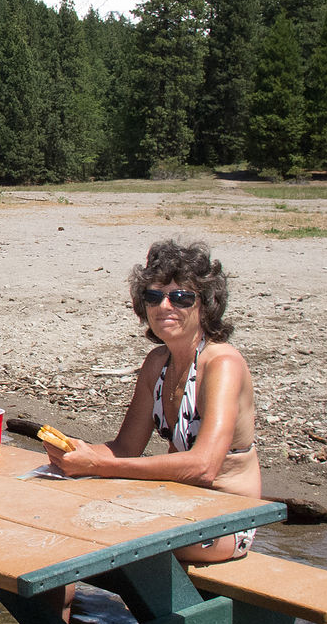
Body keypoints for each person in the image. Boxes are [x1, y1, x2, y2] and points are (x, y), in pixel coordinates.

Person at [45, 239, 260, 565]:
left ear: (206, 304)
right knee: (57, 516)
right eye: (154, 296)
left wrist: (99, 466)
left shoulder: (222, 364)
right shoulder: (157, 363)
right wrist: (77, 452)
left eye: (181, 297)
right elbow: (124, 448)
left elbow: (204, 467)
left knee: (86, 535)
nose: (164, 306)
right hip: (176, 504)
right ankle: (62, 615)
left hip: (228, 522)